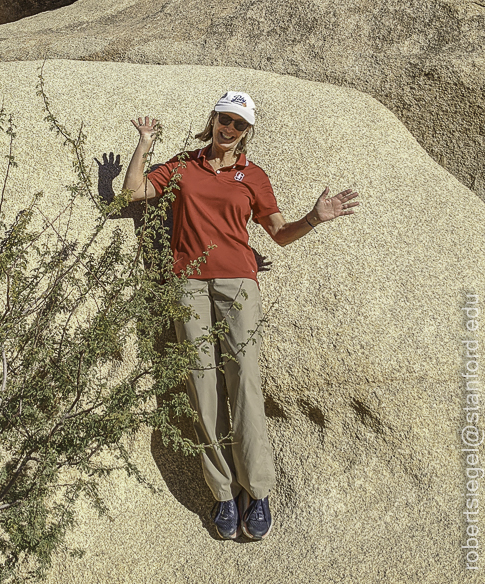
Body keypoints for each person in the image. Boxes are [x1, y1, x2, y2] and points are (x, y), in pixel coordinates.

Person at [123, 91, 359, 541]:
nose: (229, 129)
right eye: (225, 119)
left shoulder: (253, 176)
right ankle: (224, 493)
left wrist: (314, 218)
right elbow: (133, 191)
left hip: (238, 284)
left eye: (239, 124)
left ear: (247, 131)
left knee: (245, 381)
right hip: (188, 284)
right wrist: (144, 145)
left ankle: (258, 489)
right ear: (213, 120)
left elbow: (279, 234)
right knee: (202, 384)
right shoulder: (184, 165)